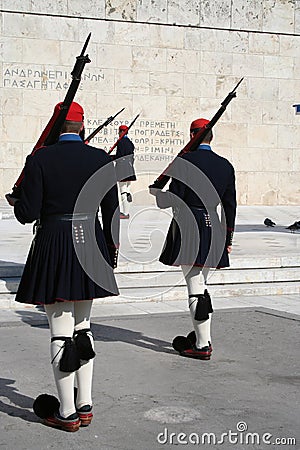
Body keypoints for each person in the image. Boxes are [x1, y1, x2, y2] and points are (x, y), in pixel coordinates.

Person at [7, 101, 120, 431]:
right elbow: (111, 211)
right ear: (83, 126)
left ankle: (66, 412)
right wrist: (110, 250)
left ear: (56, 127)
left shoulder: (40, 159)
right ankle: (85, 404)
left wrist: (16, 201)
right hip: (91, 243)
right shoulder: (102, 159)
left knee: (60, 330)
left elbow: (27, 213)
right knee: (83, 327)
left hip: (55, 242)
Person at [150, 118, 236, 361]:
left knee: (195, 287)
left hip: (189, 226)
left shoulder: (184, 162)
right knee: (201, 285)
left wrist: (157, 193)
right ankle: (203, 336)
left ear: (192, 136)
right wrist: (228, 236)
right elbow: (230, 205)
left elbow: (170, 200)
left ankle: (202, 345)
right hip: (214, 226)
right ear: (211, 138)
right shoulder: (225, 165)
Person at [114, 125, 136, 219]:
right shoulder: (130, 143)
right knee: (127, 190)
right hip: (129, 168)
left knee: (123, 191)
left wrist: (112, 158)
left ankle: (125, 213)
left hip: (122, 169)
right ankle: (127, 209)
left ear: (121, 132)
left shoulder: (121, 142)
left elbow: (119, 156)